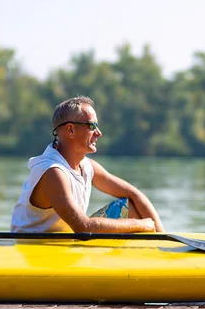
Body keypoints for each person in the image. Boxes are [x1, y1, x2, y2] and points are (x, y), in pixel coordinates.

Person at [11, 95, 164, 234]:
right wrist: (141, 225)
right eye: (92, 126)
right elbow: (83, 227)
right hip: (32, 251)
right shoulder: (53, 172)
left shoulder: (87, 166)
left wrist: (163, 237)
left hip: (63, 245)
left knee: (128, 206)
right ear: (70, 130)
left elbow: (134, 194)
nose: (98, 133)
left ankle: (159, 253)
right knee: (133, 220)